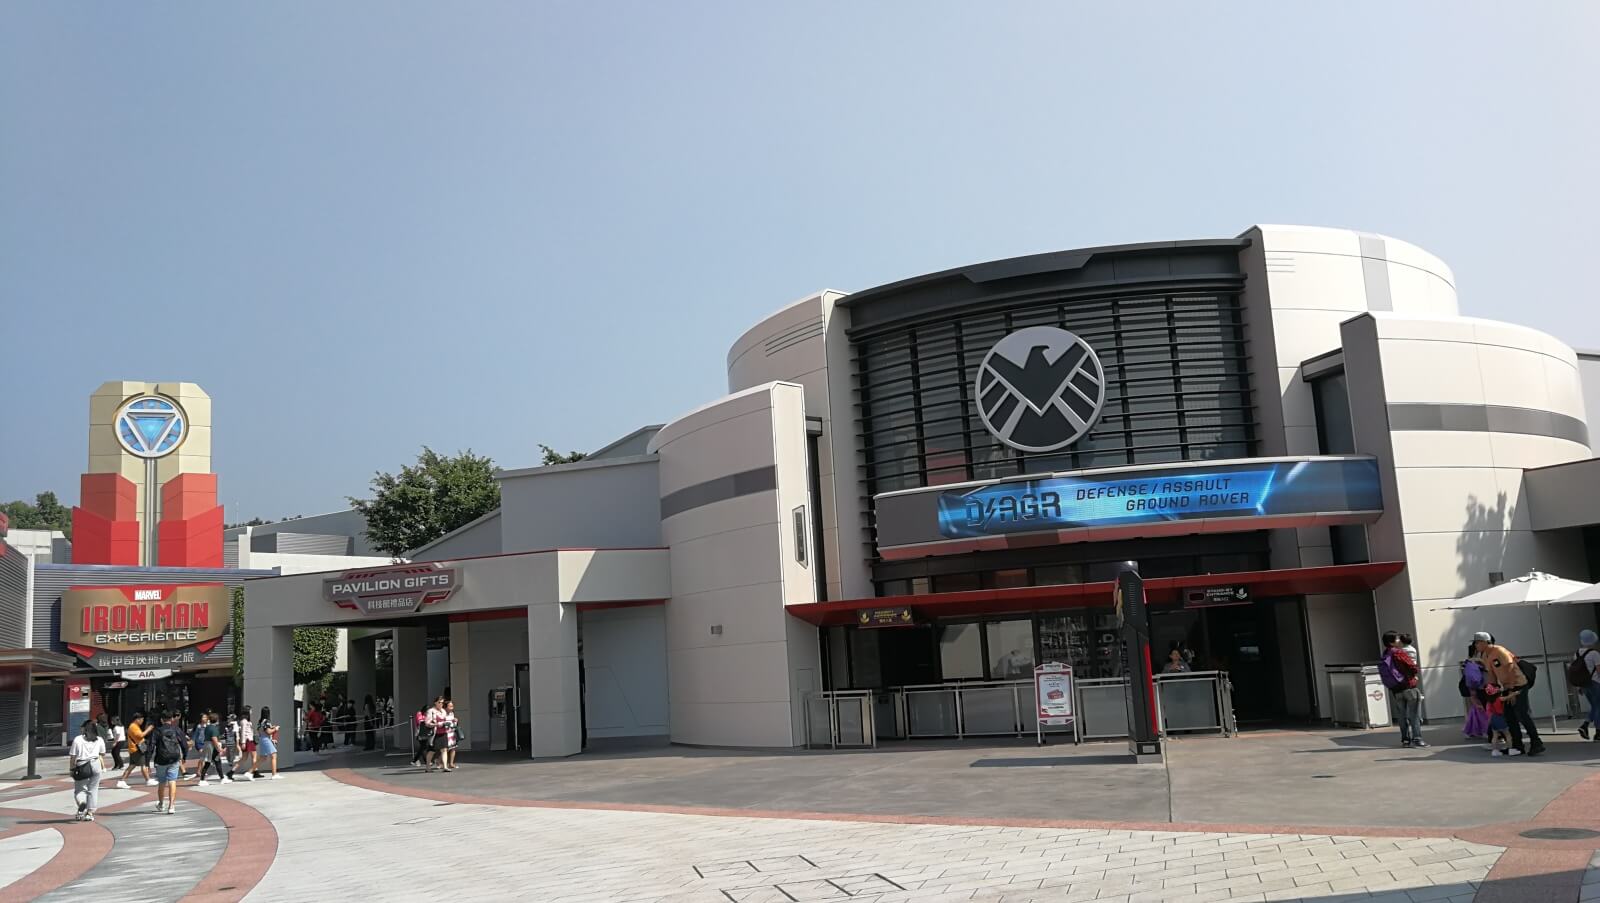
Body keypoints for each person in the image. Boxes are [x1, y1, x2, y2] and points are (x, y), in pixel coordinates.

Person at [1473, 631, 1544, 756]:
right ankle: (1517, 746)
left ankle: (1536, 742)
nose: (1476, 645)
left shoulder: (1499, 651)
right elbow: (1491, 674)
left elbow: (1510, 668)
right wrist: (1492, 691)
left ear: (1485, 642)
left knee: (1522, 713)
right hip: (1506, 686)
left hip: (1518, 684)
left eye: (1477, 642)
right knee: (1509, 716)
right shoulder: (1485, 655)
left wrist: (1511, 689)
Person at [1381, 631, 1427, 748]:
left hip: (1396, 688)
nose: (1399, 641)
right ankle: (1417, 738)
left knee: (1401, 715)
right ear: (1392, 642)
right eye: (1397, 639)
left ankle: (1405, 740)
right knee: (1414, 714)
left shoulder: (1386, 653)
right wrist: (1413, 674)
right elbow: (1411, 666)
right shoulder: (1398, 652)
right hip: (1408, 686)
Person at [67, 718, 107, 822]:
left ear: (85, 729)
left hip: (82, 765)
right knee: (93, 789)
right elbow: (103, 753)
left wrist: (71, 769)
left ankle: (82, 803)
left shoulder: (78, 739)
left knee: (80, 789)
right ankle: (89, 813)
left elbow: (73, 756)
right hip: (96, 764)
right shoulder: (99, 739)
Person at [149, 711, 186, 814]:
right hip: (174, 758)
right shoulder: (176, 729)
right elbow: (184, 743)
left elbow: (151, 746)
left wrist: (147, 761)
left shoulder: (157, 731)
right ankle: (171, 805)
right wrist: (184, 756)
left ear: (161, 720)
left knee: (162, 782)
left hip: (161, 759)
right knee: (172, 781)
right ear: (172, 719)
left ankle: (161, 804)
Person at [1460, 644, 1490, 742]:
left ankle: (1471, 731)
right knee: (1482, 710)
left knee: (1475, 710)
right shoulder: (1478, 661)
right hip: (1481, 687)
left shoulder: (1468, 662)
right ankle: (1485, 731)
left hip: (1473, 688)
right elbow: (1487, 671)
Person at [1480, 683, 1518, 757]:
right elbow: (1507, 697)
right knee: (1507, 734)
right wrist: (1515, 693)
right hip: (1499, 717)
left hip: (1493, 718)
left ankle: (1494, 751)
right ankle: (1511, 750)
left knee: (1495, 735)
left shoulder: (1489, 702)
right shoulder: (1499, 699)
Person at [1575, 629, 1600, 740]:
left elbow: (1577, 672)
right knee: (1598, 706)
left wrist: (1579, 686)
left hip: (1584, 685)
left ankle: (1585, 726)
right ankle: (1598, 732)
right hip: (1595, 683)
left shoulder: (1577, 654)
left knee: (1594, 706)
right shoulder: (1594, 654)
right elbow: (1599, 670)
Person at [116, 713, 153, 789]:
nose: (142, 721)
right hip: (136, 749)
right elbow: (140, 735)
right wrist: (148, 729)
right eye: (142, 719)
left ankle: (122, 781)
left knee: (132, 765)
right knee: (143, 765)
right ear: (137, 719)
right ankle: (148, 780)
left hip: (134, 748)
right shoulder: (133, 726)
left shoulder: (134, 726)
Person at [424, 695, 450, 773]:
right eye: (439, 702)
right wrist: (437, 724)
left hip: (443, 732)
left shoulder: (443, 711)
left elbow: (446, 719)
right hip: (435, 734)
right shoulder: (431, 711)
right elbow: (427, 723)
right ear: (435, 702)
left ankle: (445, 767)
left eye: (442, 703)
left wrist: (447, 723)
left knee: (444, 749)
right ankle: (428, 767)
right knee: (432, 751)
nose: (441, 704)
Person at [255, 706, 281, 780]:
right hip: (266, 739)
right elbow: (268, 732)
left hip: (261, 739)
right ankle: (274, 774)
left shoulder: (260, 721)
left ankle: (250, 772)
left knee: (262, 758)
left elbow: (260, 730)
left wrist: (272, 727)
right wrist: (275, 729)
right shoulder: (266, 721)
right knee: (273, 755)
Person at [233, 706, 257, 781]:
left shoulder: (246, 721)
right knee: (253, 757)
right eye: (250, 710)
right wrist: (243, 742)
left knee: (244, 758)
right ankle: (252, 772)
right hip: (248, 740)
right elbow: (243, 732)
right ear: (247, 711)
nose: (251, 712)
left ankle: (231, 772)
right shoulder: (244, 721)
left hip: (248, 740)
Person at [443, 699, 460, 771]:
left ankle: (451, 763)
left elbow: (454, 723)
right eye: (450, 706)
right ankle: (439, 762)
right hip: (445, 732)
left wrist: (455, 721)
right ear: (445, 707)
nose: (452, 708)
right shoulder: (443, 713)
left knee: (453, 748)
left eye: (452, 706)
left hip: (451, 732)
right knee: (445, 749)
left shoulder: (452, 713)